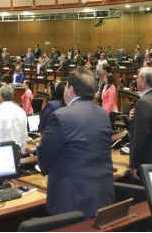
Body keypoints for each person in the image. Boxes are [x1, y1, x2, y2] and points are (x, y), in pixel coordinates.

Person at [37, 70, 114, 218]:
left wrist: (45, 168)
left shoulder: (61, 116)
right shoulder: (103, 114)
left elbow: (44, 156)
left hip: (72, 200)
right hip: (101, 194)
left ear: (70, 89)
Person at [0, 84, 29, 153]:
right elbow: (24, 135)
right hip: (18, 152)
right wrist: (21, 152)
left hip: (3, 152)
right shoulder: (21, 111)